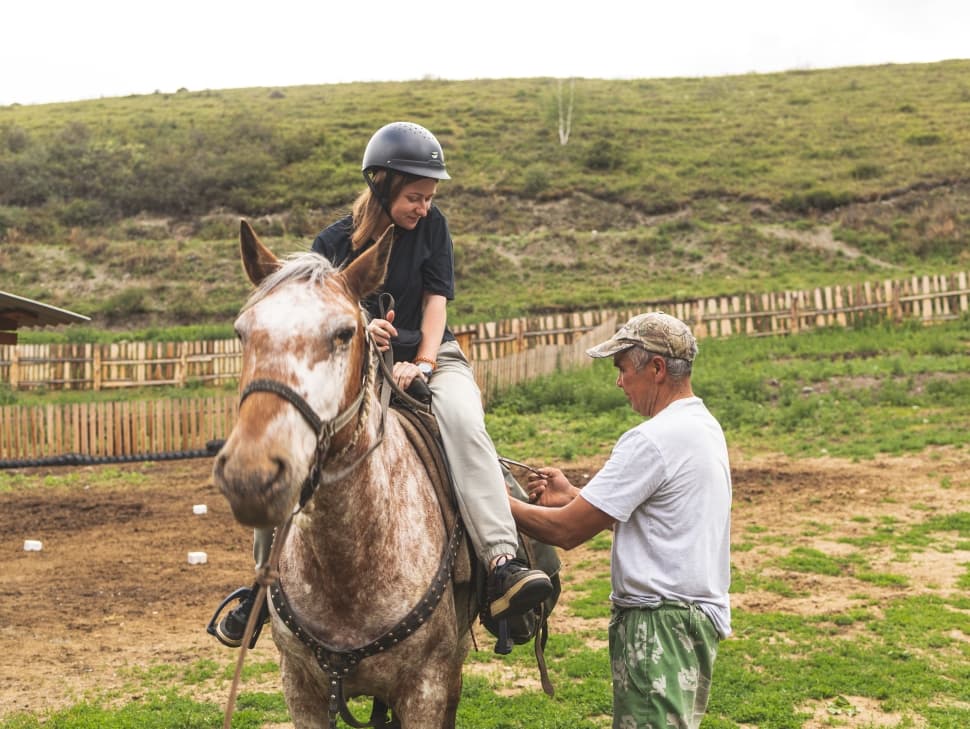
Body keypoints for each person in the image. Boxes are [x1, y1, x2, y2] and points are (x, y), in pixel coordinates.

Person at [211, 121, 552, 647]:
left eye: (429, 197)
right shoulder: (331, 243)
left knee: (463, 422)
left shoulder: (434, 229)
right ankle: (262, 584)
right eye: (415, 196)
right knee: (288, 439)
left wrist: (423, 362)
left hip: (433, 355)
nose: (423, 206)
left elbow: (436, 304)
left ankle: (501, 561)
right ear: (383, 185)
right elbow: (318, 316)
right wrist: (363, 329)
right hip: (357, 359)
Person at [508, 311, 732, 729]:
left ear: (657, 369)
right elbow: (660, 521)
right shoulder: (702, 427)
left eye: (623, 369)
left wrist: (490, 501)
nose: (619, 381)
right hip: (690, 622)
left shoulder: (650, 440)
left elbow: (566, 531)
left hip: (657, 626)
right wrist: (574, 496)